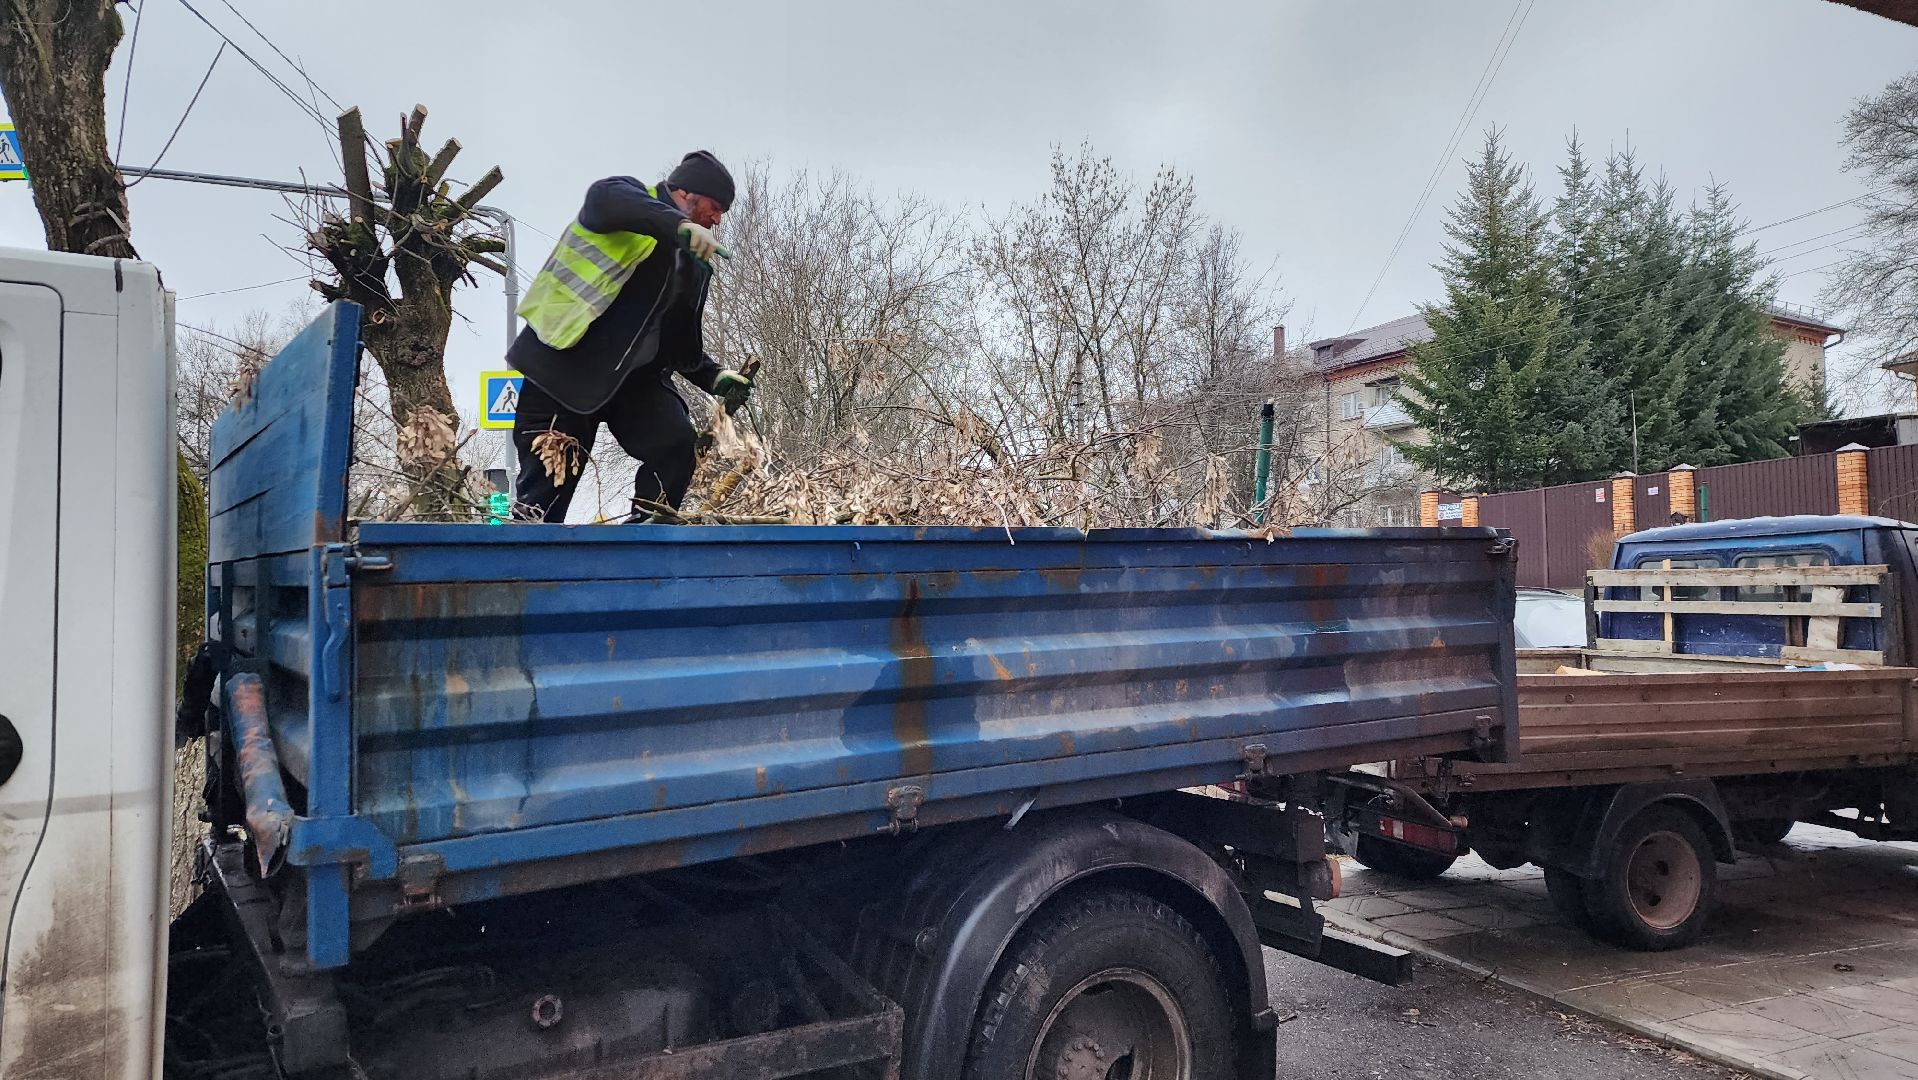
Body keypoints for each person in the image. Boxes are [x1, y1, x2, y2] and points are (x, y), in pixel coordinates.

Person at [508, 150, 753, 522]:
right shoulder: (621, 201)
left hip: (634, 384)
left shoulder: (693, 262)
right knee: (546, 493)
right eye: (715, 207)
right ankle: (525, 567)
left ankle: (647, 538)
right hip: (564, 369)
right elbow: (604, 197)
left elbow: (675, 341)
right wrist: (677, 226)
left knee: (675, 444)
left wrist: (713, 376)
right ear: (686, 193)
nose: (717, 220)